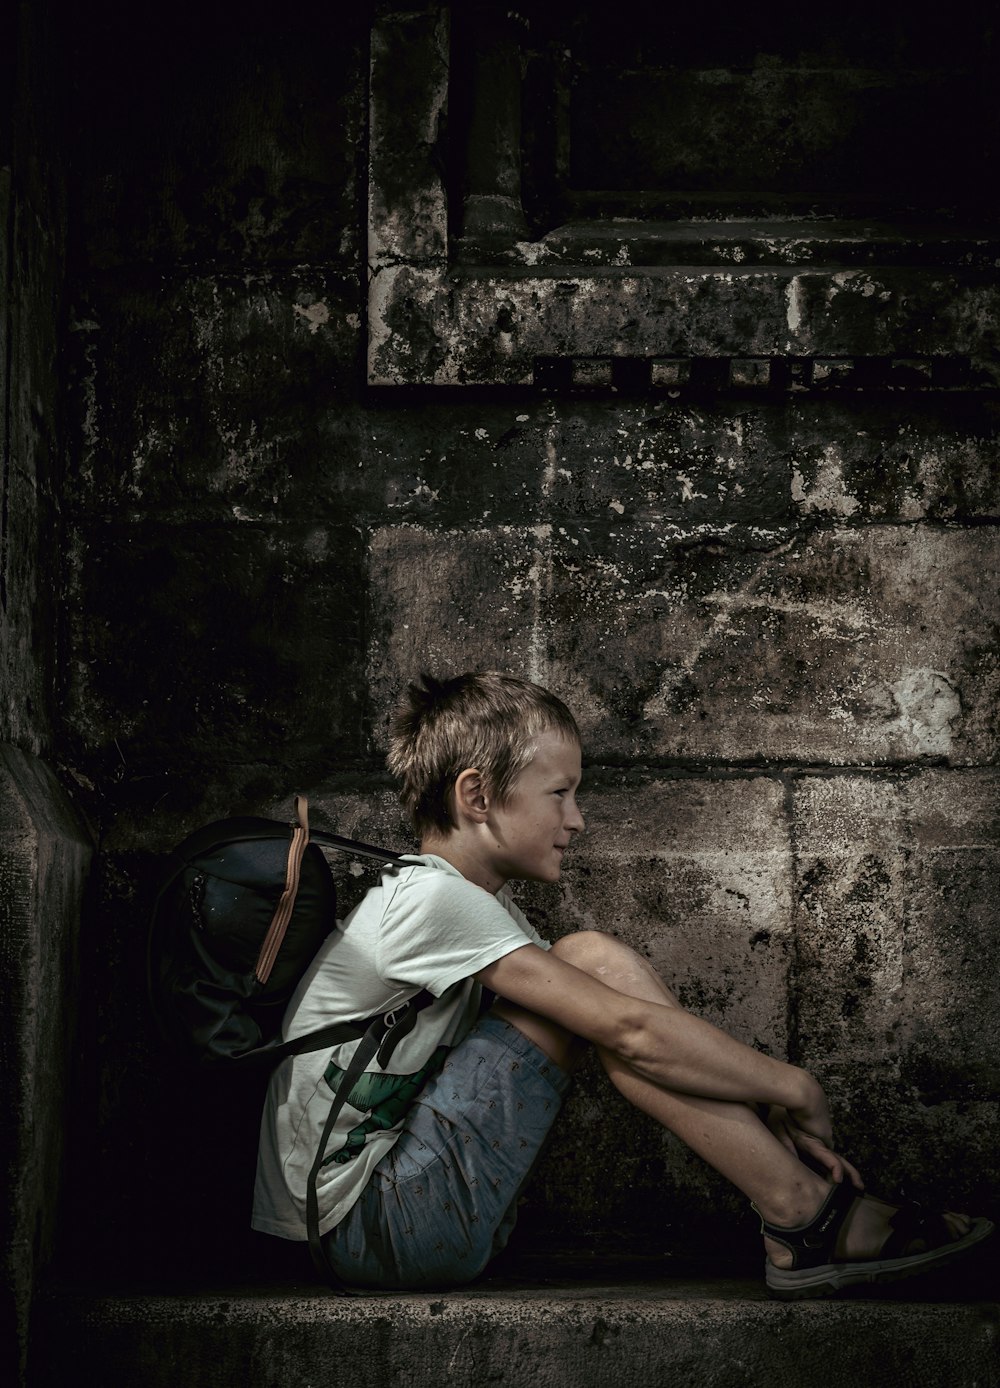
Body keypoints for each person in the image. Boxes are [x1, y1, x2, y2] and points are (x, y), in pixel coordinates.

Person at [252, 671, 992, 1297]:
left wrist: (770, 1125)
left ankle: (803, 1205)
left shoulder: (467, 909)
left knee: (593, 974)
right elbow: (628, 1028)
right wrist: (796, 1088)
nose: (576, 820)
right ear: (477, 796)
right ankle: (805, 1212)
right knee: (595, 966)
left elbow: (638, 1037)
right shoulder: (432, 901)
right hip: (369, 1227)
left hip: (377, 1222)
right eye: (559, 794)